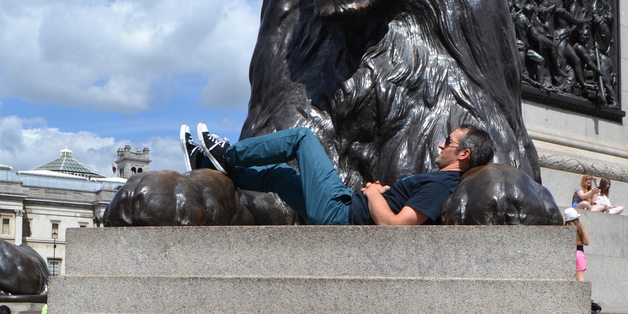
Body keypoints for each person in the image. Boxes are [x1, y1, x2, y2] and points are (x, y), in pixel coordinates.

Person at [181, 122, 496, 226]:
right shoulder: (441, 180)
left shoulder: (444, 184)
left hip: (339, 215)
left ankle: (228, 153)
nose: (441, 144)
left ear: (464, 153)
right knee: (280, 175)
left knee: (302, 137)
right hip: (343, 203)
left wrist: (374, 195)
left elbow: (397, 227)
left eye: (448, 141)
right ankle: (207, 165)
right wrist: (382, 193)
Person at [563, 207, 589, 280]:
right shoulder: (581, 228)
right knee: (580, 278)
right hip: (579, 253)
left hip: (568, 254)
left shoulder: (565, 229)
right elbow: (586, 242)